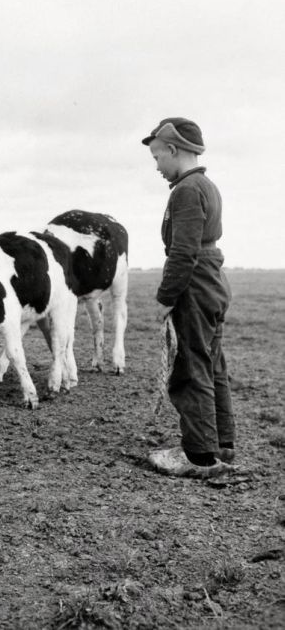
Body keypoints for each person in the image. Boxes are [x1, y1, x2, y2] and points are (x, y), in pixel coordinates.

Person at [142, 118, 235, 478]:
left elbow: (182, 252)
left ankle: (198, 457)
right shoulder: (207, 185)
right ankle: (222, 446)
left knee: (191, 369)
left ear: (173, 150)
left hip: (195, 284)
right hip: (213, 280)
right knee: (212, 366)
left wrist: (166, 297)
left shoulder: (184, 190)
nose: (156, 166)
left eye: (157, 157)